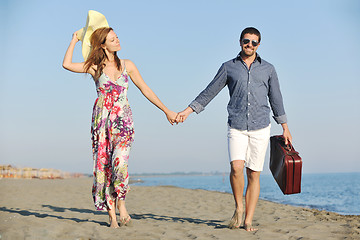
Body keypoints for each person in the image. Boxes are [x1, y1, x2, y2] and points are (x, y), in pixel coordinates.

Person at [176, 27, 292, 232]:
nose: (250, 45)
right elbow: (210, 91)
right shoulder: (228, 67)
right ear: (240, 42)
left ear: (259, 45)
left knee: (253, 174)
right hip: (236, 125)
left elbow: (276, 99)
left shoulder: (268, 69)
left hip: (261, 127)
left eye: (254, 42)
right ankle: (239, 207)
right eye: (246, 41)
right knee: (236, 168)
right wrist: (188, 111)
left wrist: (285, 127)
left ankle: (248, 220)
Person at [63, 27, 178, 228]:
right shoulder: (94, 67)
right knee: (104, 168)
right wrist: (74, 40)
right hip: (101, 124)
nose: (117, 41)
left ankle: (122, 204)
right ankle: (112, 217)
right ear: (102, 45)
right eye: (112, 39)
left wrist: (166, 110)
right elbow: (66, 64)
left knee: (119, 164)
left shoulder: (128, 65)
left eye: (117, 37)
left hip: (123, 122)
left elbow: (145, 89)